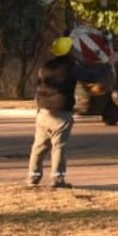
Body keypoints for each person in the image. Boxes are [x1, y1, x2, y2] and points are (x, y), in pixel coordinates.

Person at [28, 36, 79, 188]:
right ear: (69, 51)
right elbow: (89, 76)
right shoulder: (71, 68)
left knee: (39, 146)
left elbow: (38, 84)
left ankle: (33, 177)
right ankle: (57, 179)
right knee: (59, 146)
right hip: (61, 112)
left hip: (43, 110)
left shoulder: (46, 66)